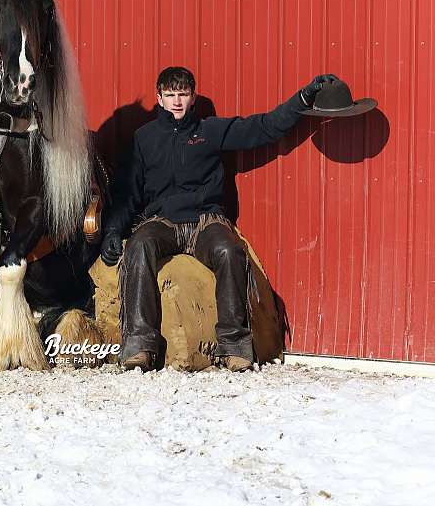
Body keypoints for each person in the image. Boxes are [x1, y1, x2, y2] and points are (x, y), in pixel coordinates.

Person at [101, 67, 338, 372]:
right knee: (139, 245)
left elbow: (265, 127)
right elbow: (126, 193)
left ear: (193, 97)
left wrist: (304, 97)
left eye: (183, 94)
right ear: (159, 98)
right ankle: (139, 345)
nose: (177, 102)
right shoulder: (143, 139)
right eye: (170, 95)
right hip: (162, 222)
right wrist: (111, 230)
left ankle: (234, 345)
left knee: (230, 251)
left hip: (205, 221)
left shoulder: (209, 131)